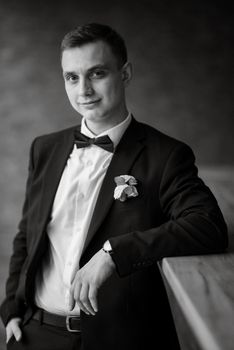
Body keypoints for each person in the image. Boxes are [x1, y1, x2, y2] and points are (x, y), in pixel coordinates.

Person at [0, 23, 228, 350]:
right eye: (72, 77)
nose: (84, 90)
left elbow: (208, 227)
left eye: (97, 73)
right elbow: (27, 233)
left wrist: (112, 253)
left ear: (125, 74)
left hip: (118, 340)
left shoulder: (166, 155)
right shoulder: (44, 148)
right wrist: (11, 309)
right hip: (35, 334)